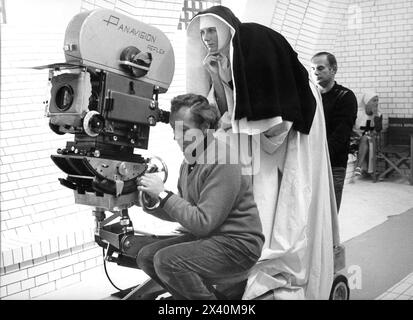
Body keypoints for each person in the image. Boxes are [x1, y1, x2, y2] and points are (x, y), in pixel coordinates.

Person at [187, 6, 339, 300]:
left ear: (227, 29)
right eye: (202, 32)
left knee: (290, 198)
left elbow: (272, 126)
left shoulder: (251, 40)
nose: (206, 37)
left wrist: (229, 120)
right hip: (272, 136)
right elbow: (235, 109)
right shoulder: (225, 58)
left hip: (295, 131)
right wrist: (218, 79)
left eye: (211, 30)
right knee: (266, 192)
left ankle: (279, 269)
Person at [136, 93, 264, 300]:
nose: (177, 137)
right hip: (213, 239)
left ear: (205, 128)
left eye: (184, 130)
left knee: (167, 261)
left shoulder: (223, 160)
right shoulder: (190, 160)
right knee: (147, 257)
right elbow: (184, 211)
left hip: (239, 246)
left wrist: (163, 194)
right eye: (174, 130)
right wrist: (147, 199)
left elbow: (202, 222)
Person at [310, 52, 358, 212]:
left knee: (329, 215)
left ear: (333, 69)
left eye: (320, 68)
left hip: (333, 165)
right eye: (312, 68)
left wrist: (318, 158)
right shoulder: (310, 97)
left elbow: (340, 135)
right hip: (310, 163)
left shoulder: (345, 96)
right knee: (309, 215)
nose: (315, 72)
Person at [353, 91, 382, 176]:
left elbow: (378, 129)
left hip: (370, 138)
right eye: (374, 100)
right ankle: (363, 169)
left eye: (377, 100)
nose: (376, 102)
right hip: (356, 136)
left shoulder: (378, 114)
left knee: (365, 138)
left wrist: (376, 115)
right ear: (367, 102)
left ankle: (358, 167)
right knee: (364, 138)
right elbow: (350, 126)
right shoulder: (358, 112)